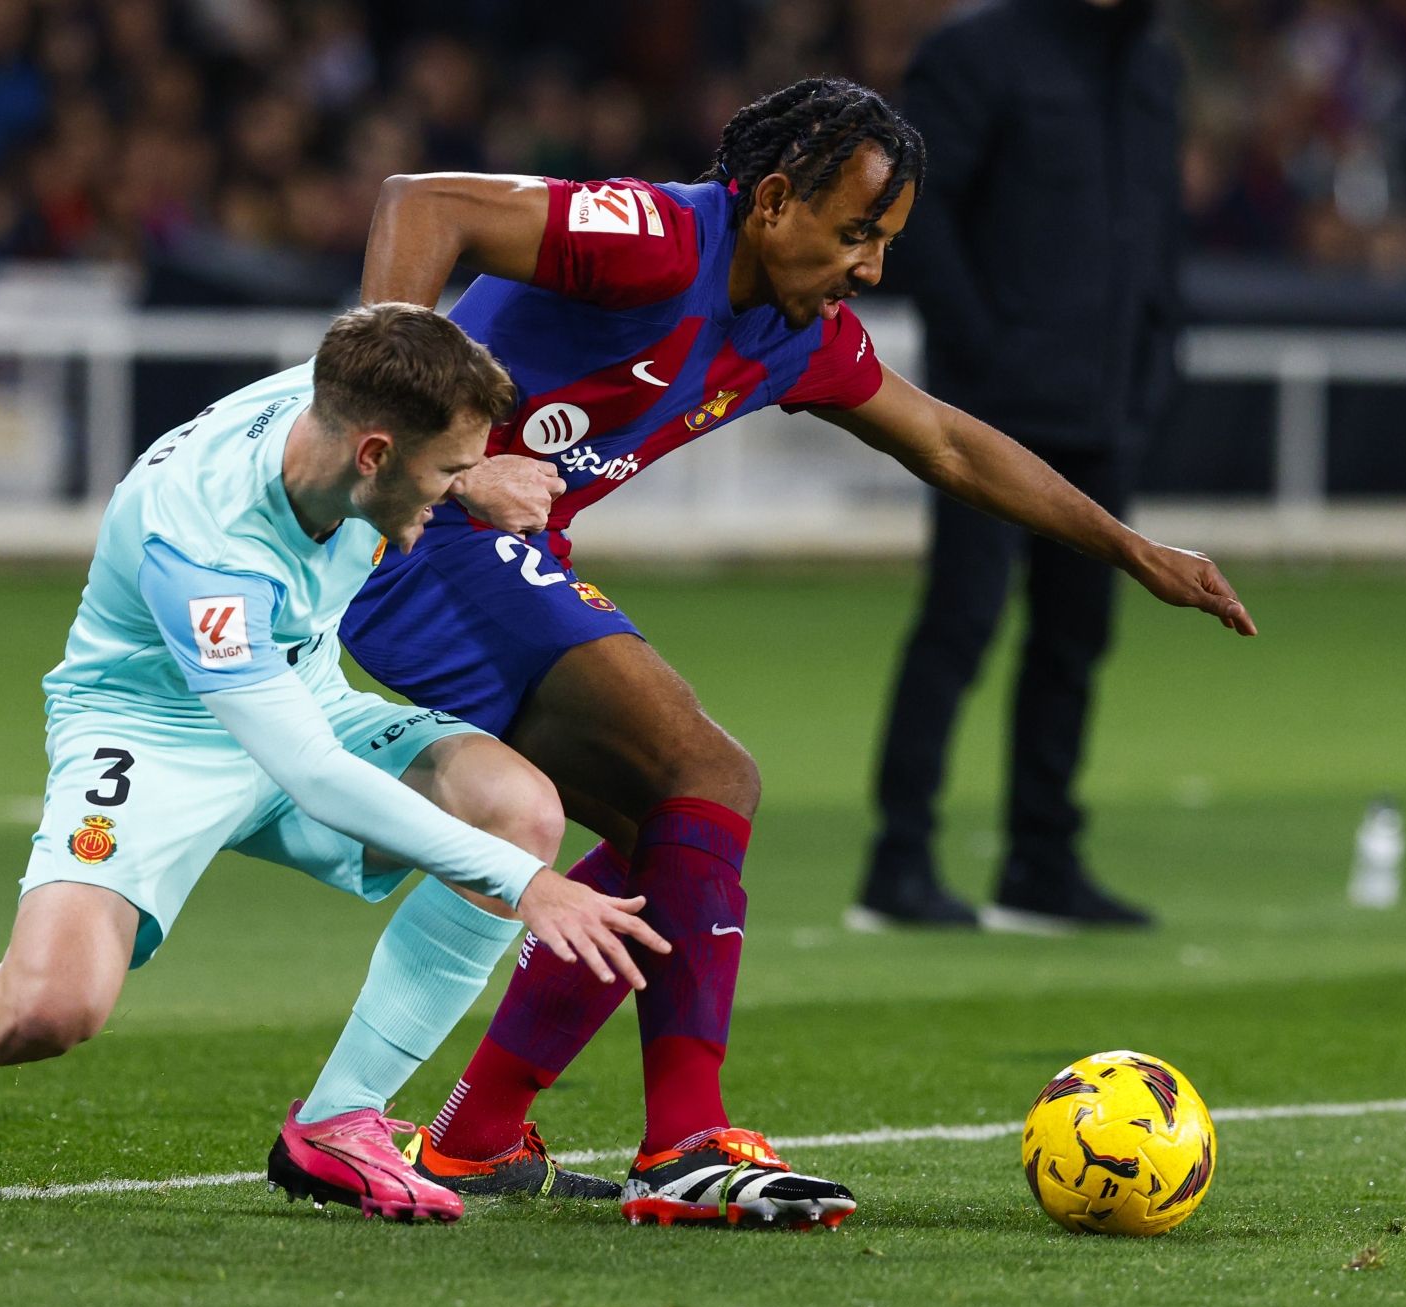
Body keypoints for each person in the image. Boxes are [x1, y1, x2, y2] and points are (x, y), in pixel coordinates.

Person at [338, 77, 1255, 1229]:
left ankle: (475, 1140)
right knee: (708, 776)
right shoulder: (658, 240)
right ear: (772, 201)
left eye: (882, 241)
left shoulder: (794, 334)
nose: (868, 267)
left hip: (488, 552)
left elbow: (949, 446)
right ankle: (681, 1145)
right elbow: (424, 205)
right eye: (856, 232)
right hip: (421, 538)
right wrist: (407, 446)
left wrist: (1128, 548)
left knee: (668, 832)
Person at [0, 303, 668, 1222]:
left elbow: (402, 415)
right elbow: (309, 773)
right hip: (151, 730)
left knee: (516, 808)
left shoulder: (347, 406)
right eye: (448, 467)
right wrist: (528, 888)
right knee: (47, 1010)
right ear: (374, 455)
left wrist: (468, 476)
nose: (456, 484)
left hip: (300, 690)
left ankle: (342, 1119)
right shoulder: (206, 542)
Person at [851, 0, 1186, 934]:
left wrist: (1157, 355)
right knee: (960, 626)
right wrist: (983, 355)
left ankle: (1041, 862)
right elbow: (920, 214)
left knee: (1075, 643)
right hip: (992, 411)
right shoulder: (975, 53)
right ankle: (898, 860)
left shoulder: (1152, 65)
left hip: (1105, 404)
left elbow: (1159, 230)